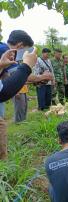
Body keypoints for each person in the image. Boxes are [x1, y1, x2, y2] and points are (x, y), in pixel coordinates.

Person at [0, 30, 37, 160]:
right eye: (26, 50)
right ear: (20, 46)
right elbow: (6, 87)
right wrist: (28, 66)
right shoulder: (6, 51)